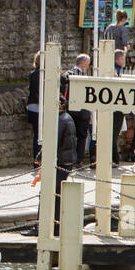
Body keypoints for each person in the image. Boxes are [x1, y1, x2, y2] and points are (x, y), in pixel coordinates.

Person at [52, 97, 80, 236]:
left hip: (60, 161)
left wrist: (40, 157)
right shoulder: (67, 118)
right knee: (57, 194)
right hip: (67, 160)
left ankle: (47, 226)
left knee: (50, 193)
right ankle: (56, 225)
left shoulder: (60, 120)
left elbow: (53, 141)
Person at [68, 54, 92, 164]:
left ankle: (75, 159)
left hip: (73, 110)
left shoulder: (69, 73)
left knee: (75, 136)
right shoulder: (72, 74)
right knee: (80, 136)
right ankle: (78, 160)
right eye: (87, 63)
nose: (88, 65)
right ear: (82, 63)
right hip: (79, 110)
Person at [25, 51, 42, 161]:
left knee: (37, 135)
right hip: (39, 107)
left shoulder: (33, 74)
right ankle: (38, 160)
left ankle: (37, 160)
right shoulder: (42, 75)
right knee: (40, 136)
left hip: (32, 107)